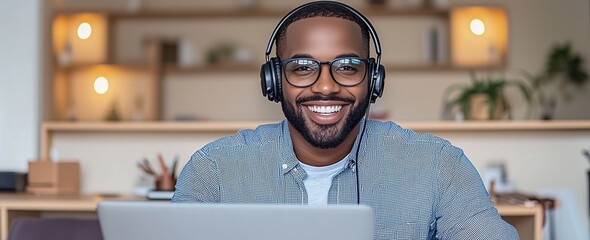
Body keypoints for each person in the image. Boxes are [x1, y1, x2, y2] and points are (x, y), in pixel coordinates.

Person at [173, 1, 518, 239]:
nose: (326, 86)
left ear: (374, 81)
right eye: (303, 67)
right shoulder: (214, 170)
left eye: (348, 67)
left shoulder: (438, 164)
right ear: (274, 82)